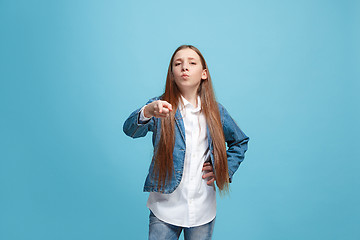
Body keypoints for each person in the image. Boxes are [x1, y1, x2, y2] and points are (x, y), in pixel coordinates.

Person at [123, 45, 249, 240]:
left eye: (192, 63)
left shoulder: (216, 111)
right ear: (172, 75)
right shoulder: (160, 106)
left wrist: (223, 169)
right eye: (178, 63)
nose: (184, 67)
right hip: (164, 208)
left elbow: (240, 142)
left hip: (202, 209)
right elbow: (130, 130)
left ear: (204, 73)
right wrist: (147, 111)